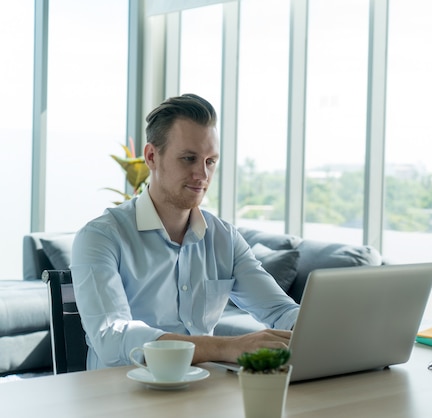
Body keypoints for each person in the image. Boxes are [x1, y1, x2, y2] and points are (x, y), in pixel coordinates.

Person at [71, 94, 299, 370]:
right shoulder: (101, 237)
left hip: (204, 395)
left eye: (210, 161)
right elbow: (111, 337)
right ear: (152, 156)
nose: (201, 174)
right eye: (189, 159)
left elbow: (281, 312)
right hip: (123, 398)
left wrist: (327, 331)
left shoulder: (225, 239)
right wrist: (228, 347)